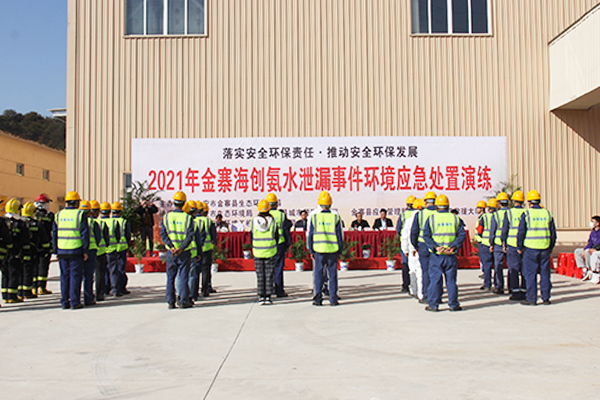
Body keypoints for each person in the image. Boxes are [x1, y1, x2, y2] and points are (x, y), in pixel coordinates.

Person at [423, 194, 466, 312]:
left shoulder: (431, 218)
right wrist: (453, 247)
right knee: (451, 281)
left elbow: (426, 236)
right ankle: (453, 304)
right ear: (448, 206)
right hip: (450, 254)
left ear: (437, 206)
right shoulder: (455, 218)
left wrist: (435, 247)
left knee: (435, 280)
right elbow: (462, 234)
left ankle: (434, 304)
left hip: (437, 255)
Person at [517, 190, 556, 306]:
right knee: (545, 274)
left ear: (529, 202)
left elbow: (521, 232)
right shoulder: (547, 214)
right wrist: (551, 246)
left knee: (530, 274)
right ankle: (546, 298)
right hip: (544, 248)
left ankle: (531, 298)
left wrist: (520, 246)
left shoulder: (527, 214)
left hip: (530, 248)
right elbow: (553, 233)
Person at [52, 191, 89, 309]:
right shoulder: (80, 214)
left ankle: (64, 301)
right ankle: (74, 301)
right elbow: (84, 234)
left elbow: (54, 233)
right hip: (76, 249)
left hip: (62, 250)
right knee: (75, 277)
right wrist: (85, 251)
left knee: (64, 277)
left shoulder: (58, 215)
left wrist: (55, 250)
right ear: (77, 202)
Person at [160, 191, 196, 309]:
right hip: (184, 252)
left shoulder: (167, 217)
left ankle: (170, 301)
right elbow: (190, 236)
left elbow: (163, 234)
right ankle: (183, 300)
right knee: (184, 276)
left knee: (170, 277)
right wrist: (181, 248)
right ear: (184, 203)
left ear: (174, 202)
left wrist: (171, 247)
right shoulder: (188, 218)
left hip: (171, 252)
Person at [307, 191, 344, 306]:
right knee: (332, 275)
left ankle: (318, 299)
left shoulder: (315, 217)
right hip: (332, 250)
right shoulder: (335, 217)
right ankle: (333, 299)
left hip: (319, 250)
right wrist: (340, 251)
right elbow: (339, 236)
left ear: (319, 204)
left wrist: (311, 250)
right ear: (330, 204)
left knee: (318, 275)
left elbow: (311, 235)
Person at [411, 191, 437, 304]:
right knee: (436, 272)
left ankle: (426, 295)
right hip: (437, 246)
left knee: (425, 271)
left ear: (425, 202)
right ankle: (437, 296)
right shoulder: (439, 213)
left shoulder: (420, 214)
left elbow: (414, 232)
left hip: (423, 246)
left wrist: (415, 246)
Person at [251, 199, 279, 305]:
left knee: (260, 275)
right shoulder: (273, 222)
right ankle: (268, 296)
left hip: (258, 252)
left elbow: (251, 236)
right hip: (270, 251)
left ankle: (261, 296)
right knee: (269, 274)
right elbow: (276, 237)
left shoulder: (253, 222)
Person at [501, 191, 527, 300]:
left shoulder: (509, 213)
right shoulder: (527, 212)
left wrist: (503, 242)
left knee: (513, 269)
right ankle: (525, 291)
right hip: (525, 245)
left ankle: (515, 292)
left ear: (513, 201)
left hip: (512, 244)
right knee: (525, 269)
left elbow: (505, 229)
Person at [3, 199, 31, 304]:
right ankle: (12, 296)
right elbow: (25, 240)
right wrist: (25, 253)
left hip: (4, 253)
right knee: (14, 273)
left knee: (5, 274)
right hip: (15, 252)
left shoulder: (3, 221)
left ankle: (5, 296)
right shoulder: (20, 224)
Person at [20, 202, 49, 299]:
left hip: (20, 251)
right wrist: (46, 249)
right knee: (30, 271)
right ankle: (29, 291)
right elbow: (43, 238)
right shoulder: (36, 224)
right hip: (33, 250)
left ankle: (20, 292)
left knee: (20, 271)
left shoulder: (20, 223)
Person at [266, 193, 292, 298]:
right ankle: (279, 290)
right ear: (276, 204)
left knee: (267, 268)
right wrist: (288, 244)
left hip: (267, 244)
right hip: (279, 244)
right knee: (278, 267)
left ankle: (268, 289)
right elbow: (286, 231)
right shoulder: (281, 215)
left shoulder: (263, 215)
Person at [79, 200, 102, 306]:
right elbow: (98, 237)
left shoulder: (76, 221)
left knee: (76, 276)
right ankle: (88, 298)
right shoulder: (93, 222)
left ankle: (74, 298)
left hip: (77, 250)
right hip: (91, 250)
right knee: (88, 276)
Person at [106, 202, 131, 297]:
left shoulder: (108, 221)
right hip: (121, 248)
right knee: (120, 269)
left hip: (109, 248)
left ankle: (108, 287)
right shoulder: (124, 222)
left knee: (109, 269)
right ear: (120, 211)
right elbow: (128, 235)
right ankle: (120, 288)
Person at [401, 198, 423, 300]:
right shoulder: (423, 218)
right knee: (421, 272)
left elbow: (405, 236)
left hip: (411, 249)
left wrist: (405, 249)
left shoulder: (409, 219)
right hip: (421, 248)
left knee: (412, 270)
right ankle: (421, 293)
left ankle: (414, 290)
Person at [489, 192, 510, 294]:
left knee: (498, 266)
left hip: (498, 243)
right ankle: (512, 287)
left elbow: (492, 230)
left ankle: (499, 286)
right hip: (510, 243)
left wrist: (491, 243)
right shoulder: (511, 213)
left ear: (498, 203)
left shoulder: (496, 215)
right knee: (512, 267)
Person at [396, 195, 417, 293]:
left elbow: (398, 229)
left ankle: (406, 285)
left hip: (405, 242)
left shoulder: (404, 215)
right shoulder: (419, 214)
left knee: (406, 265)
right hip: (416, 243)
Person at [34, 193, 54, 295]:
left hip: (34, 245)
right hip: (46, 244)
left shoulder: (33, 214)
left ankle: (33, 287)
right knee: (43, 266)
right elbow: (53, 230)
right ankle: (41, 287)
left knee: (34, 266)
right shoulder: (49, 215)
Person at [186, 201, 206, 301]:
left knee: (181, 275)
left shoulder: (184, 220)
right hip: (194, 252)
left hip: (180, 251)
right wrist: (199, 252)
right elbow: (200, 239)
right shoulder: (197, 222)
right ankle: (192, 295)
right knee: (193, 275)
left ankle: (182, 296)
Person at [477, 198, 497, 291]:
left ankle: (487, 284)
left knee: (487, 265)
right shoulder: (498, 216)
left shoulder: (484, 217)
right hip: (496, 243)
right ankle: (498, 285)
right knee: (497, 265)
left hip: (486, 243)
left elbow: (480, 230)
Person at [91, 200, 110, 301]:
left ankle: (88, 294)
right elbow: (105, 238)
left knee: (88, 275)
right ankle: (99, 293)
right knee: (100, 274)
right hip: (100, 251)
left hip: (86, 252)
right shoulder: (100, 223)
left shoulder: (83, 222)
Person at [575, 215, 600, 281]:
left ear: (598, 223)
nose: (591, 223)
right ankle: (584, 268)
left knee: (588, 252)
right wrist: (584, 249)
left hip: (597, 249)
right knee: (577, 251)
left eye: (593, 221)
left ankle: (590, 269)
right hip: (591, 248)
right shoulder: (593, 232)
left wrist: (595, 249)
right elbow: (590, 242)